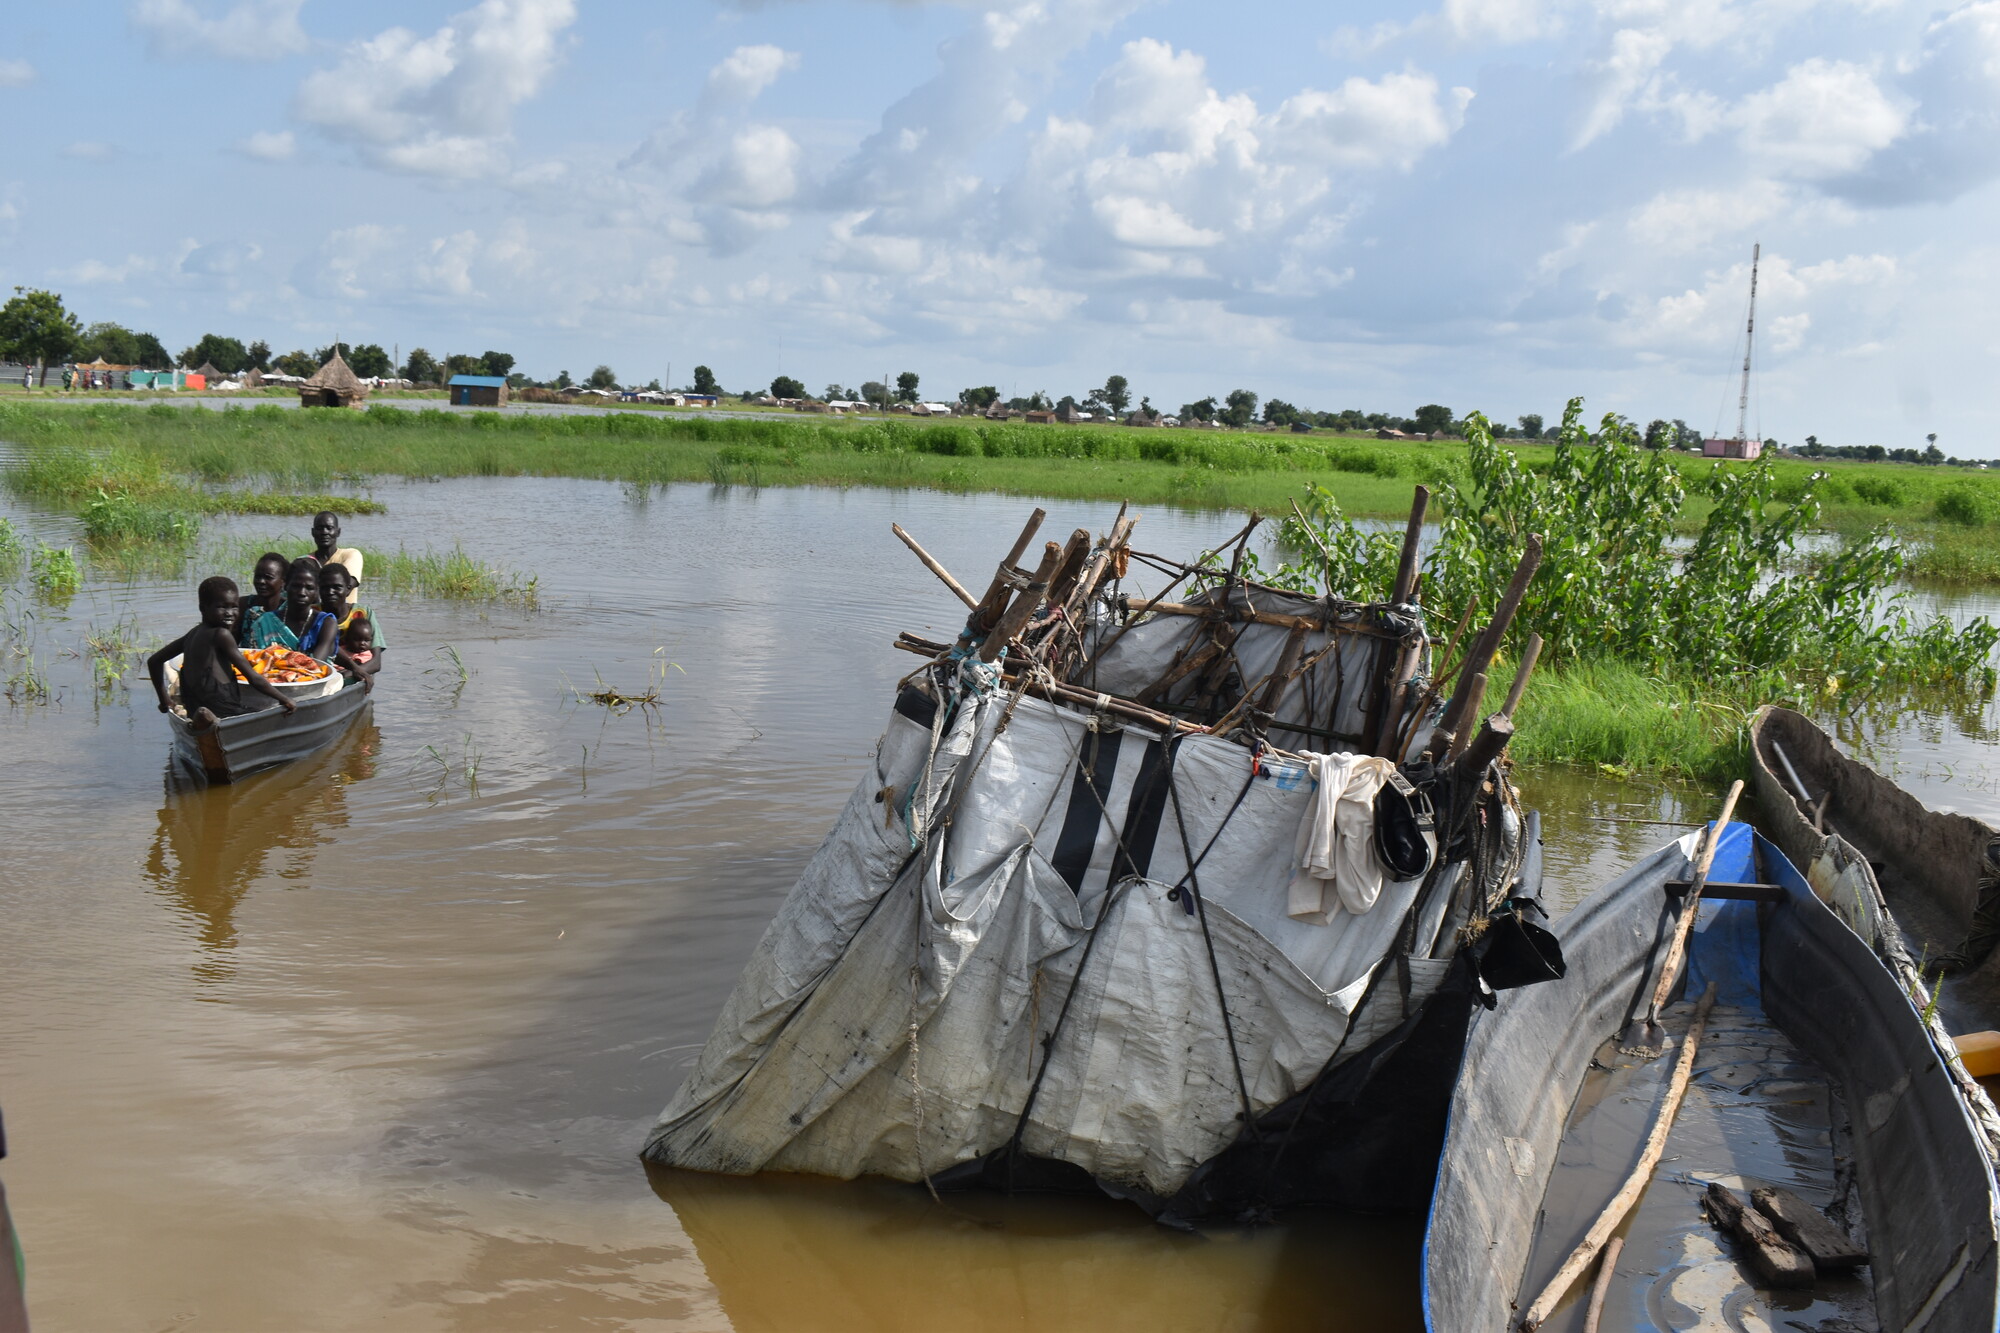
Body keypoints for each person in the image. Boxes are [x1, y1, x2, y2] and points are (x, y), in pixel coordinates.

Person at [147, 576, 296, 729]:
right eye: (222, 607)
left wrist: (164, 700)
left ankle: (204, 722)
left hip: (194, 710)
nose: (230, 613)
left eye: (234, 607)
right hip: (225, 713)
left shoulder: (192, 634)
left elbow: (154, 661)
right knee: (278, 719)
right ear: (203, 608)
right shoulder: (221, 635)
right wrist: (284, 698)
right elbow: (253, 677)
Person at [319, 564, 386, 665]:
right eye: (325, 587)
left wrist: (353, 672)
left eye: (337, 587)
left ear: (348, 589)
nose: (330, 592)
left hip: (356, 673)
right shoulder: (312, 613)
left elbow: (376, 662)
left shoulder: (363, 613)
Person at [306, 512, 363, 606]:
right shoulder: (306, 561)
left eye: (329, 528)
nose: (324, 532)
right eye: (320, 528)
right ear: (313, 532)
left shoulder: (351, 555)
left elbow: (348, 586)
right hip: (316, 616)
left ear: (338, 532)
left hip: (346, 615)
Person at [239, 549, 290, 639]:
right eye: (258, 576)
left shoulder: (289, 610)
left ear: (284, 581)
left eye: (268, 577)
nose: (261, 581)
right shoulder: (243, 605)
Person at [340, 613, 380, 678]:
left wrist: (341, 675)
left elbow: (355, 666)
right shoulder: (342, 649)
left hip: (346, 675)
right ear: (347, 639)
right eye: (357, 640)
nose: (362, 643)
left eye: (366, 640)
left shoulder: (366, 654)